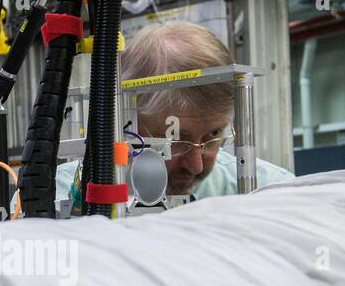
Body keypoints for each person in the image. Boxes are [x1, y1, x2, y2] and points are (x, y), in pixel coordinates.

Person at [56, 20, 293, 211]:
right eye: (176, 139)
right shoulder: (57, 195)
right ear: (126, 122)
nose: (197, 165)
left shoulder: (272, 191)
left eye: (214, 134)